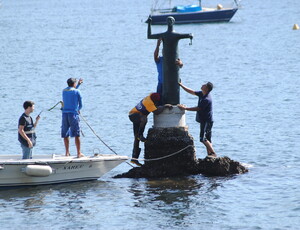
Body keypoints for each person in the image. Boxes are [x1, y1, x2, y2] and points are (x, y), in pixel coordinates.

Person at [129, 93, 172, 166]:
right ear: (154, 101)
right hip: (133, 116)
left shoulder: (150, 96)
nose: (156, 103)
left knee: (136, 138)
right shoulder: (149, 103)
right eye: (156, 102)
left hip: (135, 115)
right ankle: (141, 134)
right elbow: (157, 112)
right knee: (144, 118)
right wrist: (164, 106)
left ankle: (134, 159)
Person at [178, 81, 216, 157]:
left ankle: (213, 153)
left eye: (204, 85)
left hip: (206, 121)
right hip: (204, 120)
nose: (202, 85)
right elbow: (191, 91)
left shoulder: (206, 99)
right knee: (207, 139)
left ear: (207, 88)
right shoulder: (202, 94)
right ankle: (210, 155)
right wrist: (181, 85)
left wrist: (185, 108)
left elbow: (198, 108)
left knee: (202, 138)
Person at [61, 78, 84, 158]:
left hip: (64, 114)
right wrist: (78, 110)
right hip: (73, 115)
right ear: (74, 84)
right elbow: (80, 105)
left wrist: (78, 85)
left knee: (65, 133)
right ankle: (78, 153)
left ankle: (67, 152)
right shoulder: (77, 91)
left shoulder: (64, 91)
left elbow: (72, 92)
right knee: (77, 134)